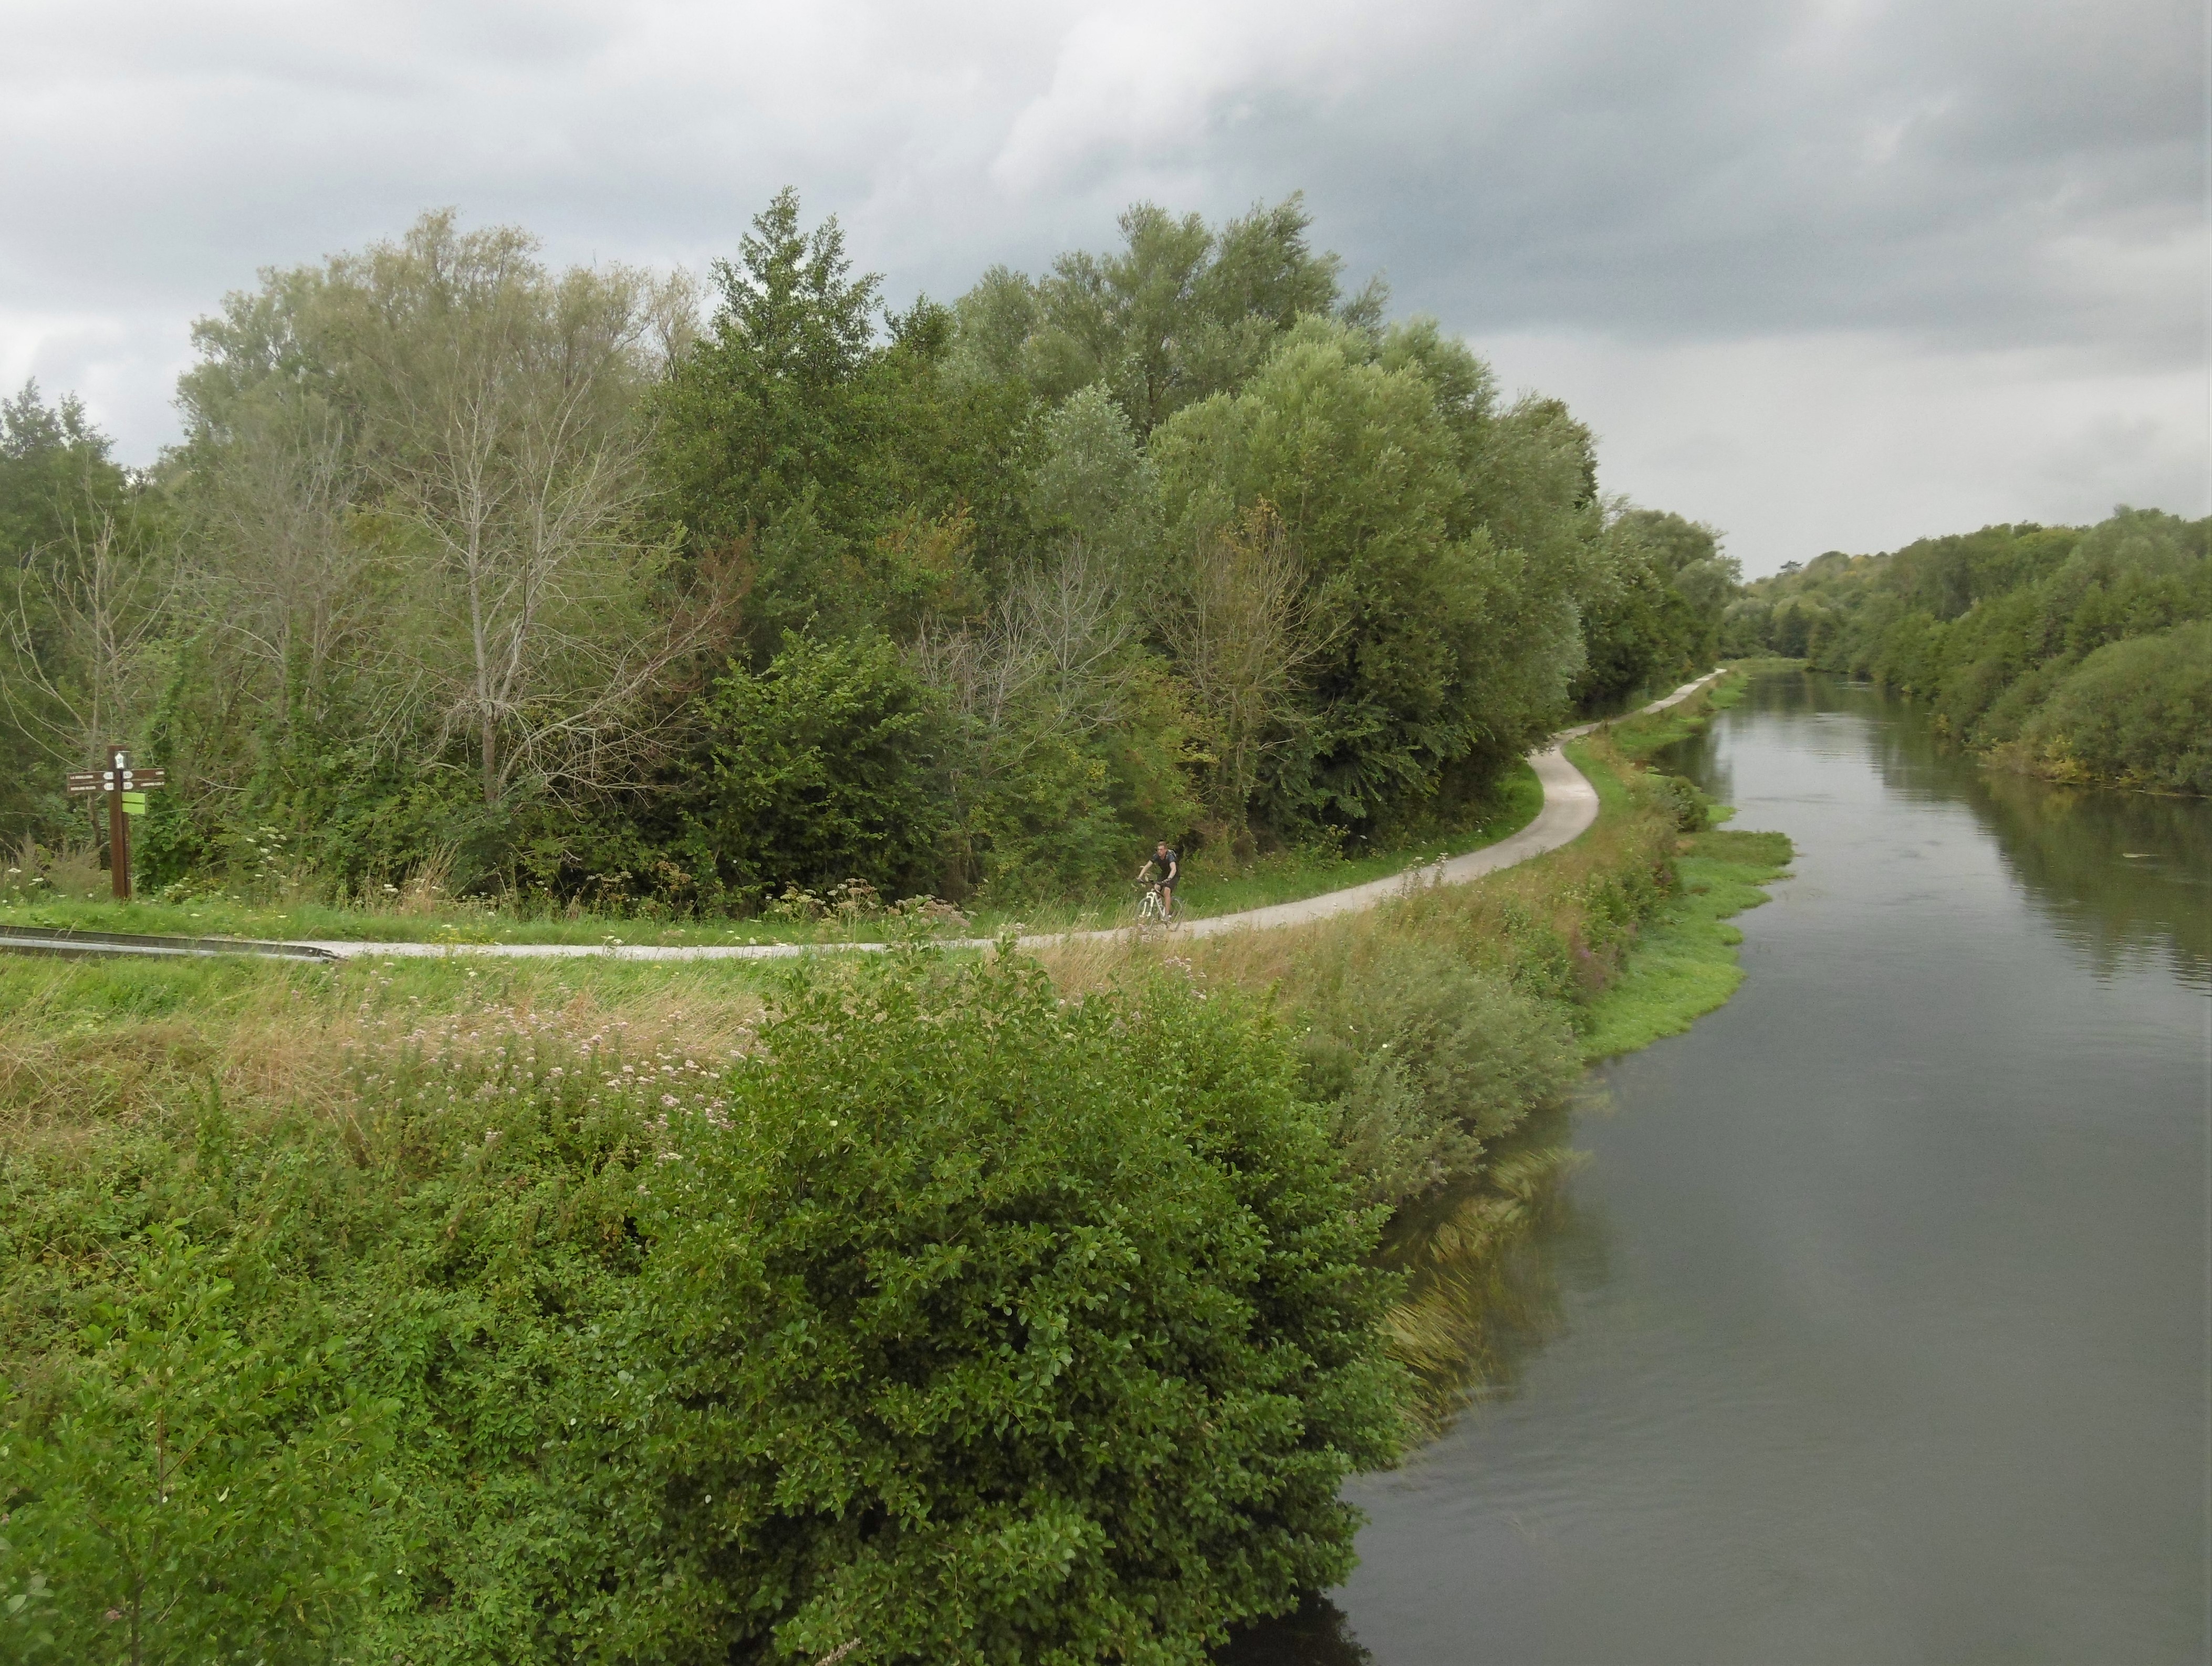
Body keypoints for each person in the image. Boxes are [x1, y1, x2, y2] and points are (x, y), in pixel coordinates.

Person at [1151, 840, 1179, 921]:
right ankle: (1161, 909)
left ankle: (1167, 915)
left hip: (1173, 875)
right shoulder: (1157, 856)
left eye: (1161, 850)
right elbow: (1147, 866)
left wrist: (1169, 879)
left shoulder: (1170, 856)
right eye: (1158, 850)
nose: (1159, 852)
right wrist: (1140, 876)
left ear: (1165, 850)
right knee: (1156, 888)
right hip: (1164, 874)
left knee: (1167, 891)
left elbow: (1174, 869)